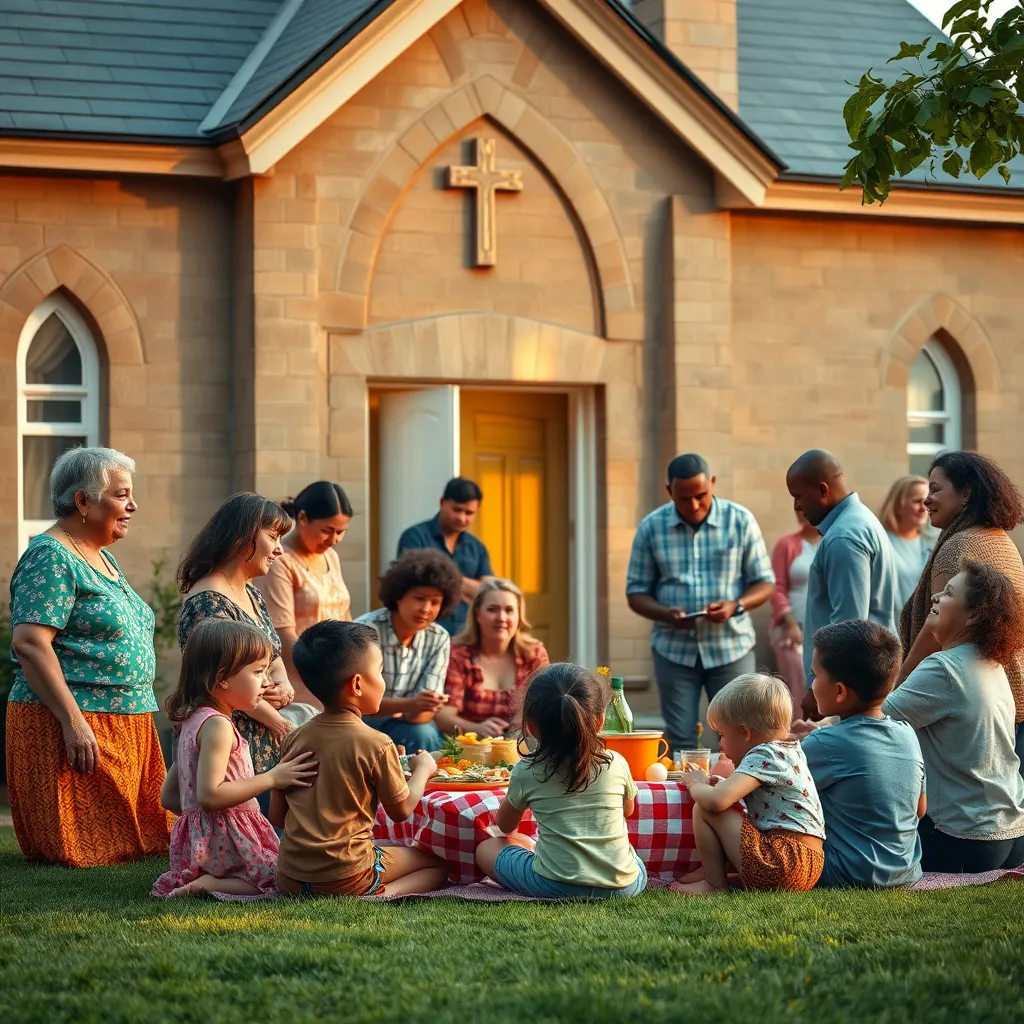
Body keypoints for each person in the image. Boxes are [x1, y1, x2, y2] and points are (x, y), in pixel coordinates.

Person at [7, 446, 171, 867]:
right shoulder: (50, 555)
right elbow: (30, 643)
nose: (133, 505)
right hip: (78, 720)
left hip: (127, 722)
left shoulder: (103, 557)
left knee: (148, 845)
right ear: (83, 501)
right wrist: (73, 722)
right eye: (121, 495)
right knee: (94, 852)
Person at [271, 620, 449, 898]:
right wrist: (423, 770)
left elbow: (278, 816)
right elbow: (401, 811)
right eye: (379, 672)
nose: (383, 681)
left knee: (388, 846)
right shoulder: (376, 743)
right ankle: (381, 896)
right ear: (356, 684)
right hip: (347, 876)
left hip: (290, 878)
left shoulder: (294, 738)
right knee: (437, 866)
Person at [153, 619, 317, 897]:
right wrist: (272, 778)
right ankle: (205, 885)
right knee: (278, 879)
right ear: (223, 677)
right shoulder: (218, 726)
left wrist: (200, 825)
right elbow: (210, 795)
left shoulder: (192, 721)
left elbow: (170, 797)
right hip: (227, 841)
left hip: (202, 844)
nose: (267, 682)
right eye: (258, 672)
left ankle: (205, 876)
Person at [626, 453, 775, 751]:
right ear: (669, 491)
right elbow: (636, 593)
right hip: (673, 650)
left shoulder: (740, 520)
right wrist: (666, 614)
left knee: (744, 731)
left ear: (713, 484)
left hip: (731, 647)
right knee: (681, 738)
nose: (694, 505)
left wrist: (737, 605)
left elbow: (764, 582)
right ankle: (691, 797)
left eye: (701, 495)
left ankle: (739, 795)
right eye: (684, 498)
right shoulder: (651, 528)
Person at [884, 562, 1024, 872]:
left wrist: (815, 729)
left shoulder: (944, 668)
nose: (935, 596)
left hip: (966, 839)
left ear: (973, 614)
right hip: (1013, 836)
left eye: (948, 593)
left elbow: (874, 721)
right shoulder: (993, 665)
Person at [177, 493, 317, 784]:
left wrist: (284, 685)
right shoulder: (206, 603)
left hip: (270, 744)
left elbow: (273, 653)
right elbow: (218, 684)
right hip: (233, 748)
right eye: (273, 537)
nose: (279, 550)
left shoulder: (251, 592)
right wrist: (281, 724)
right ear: (244, 537)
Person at [476, 664, 648, 900]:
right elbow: (628, 810)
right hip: (624, 887)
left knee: (486, 849)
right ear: (599, 722)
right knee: (630, 856)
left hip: (553, 885)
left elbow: (505, 826)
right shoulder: (616, 762)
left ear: (531, 727)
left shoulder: (526, 770)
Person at [898, 452, 1024, 764]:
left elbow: (937, 628)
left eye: (936, 490)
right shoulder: (1000, 539)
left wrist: (902, 681)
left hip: (970, 710)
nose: (927, 500)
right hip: (1005, 699)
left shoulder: (959, 547)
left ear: (966, 493)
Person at [670, 674, 825, 896]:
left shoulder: (763, 753)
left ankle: (713, 885)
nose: (721, 744)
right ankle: (711, 871)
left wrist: (695, 784)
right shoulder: (789, 750)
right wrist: (723, 783)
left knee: (704, 808)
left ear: (744, 732)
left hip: (781, 862)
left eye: (722, 735)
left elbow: (716, 801)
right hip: (810, 864)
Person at [800, 621, 925, 888]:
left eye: (815, 676)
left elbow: (777, 789)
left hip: (846, 874)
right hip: (906, 873)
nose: (812, 684)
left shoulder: (823, 743)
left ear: (840, 691)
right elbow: (920, 809)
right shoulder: (907, 733)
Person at [785, 450, 898, 719]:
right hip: (857, 683)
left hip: (850, 687)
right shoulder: (859, 520)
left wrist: (817, 687)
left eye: (798, 496)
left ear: (822, 489)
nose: (797, 507)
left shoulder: (844, 536)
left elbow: (848, 627)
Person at [257, 481, 353, 708]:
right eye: (326, 531)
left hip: (338, 676)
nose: (333, 540)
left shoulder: (331, 556)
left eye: (340, 532)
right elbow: (282, 632)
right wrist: (322, 672)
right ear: (302, 519)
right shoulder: (281, 561)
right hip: (303, 680)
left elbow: (344, 614)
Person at [355, 549, 463, 752]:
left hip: (408, 726)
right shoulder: (366, 630)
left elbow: (422, 715)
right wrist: (409, 704)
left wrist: (417, 707)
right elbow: (356, 701)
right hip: (360, 722)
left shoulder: (438, 637)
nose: (426, 608)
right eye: (419, 598)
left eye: (435, 602)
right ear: (398, 596)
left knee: (424, 733)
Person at [438, 578, 550, 739]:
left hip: (525, 746)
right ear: (477, 614)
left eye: (509, 610)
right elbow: (444, 716)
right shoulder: (458, 655)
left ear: (519, 616)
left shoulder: (534, 654)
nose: (502, 618)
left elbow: (547, 706)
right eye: (492, 609)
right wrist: (475, 728)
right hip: (472, 748)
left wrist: (523, 724)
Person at [396, 477, 493, 636]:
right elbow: (410, 586)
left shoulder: (477, 548)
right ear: (442, 502)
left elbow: (487, 593)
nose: (462, 518)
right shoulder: (415, 537)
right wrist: (467, 586)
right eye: (457, 510)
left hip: (466, 638)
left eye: (469, 513)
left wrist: (443, 580)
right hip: (423, 634)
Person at [769, 510, 821, 717]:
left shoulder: (834, 541)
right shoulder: (787, 544)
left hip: (824, 631)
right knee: (797, 688)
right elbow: (776, 587)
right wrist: (789, 622)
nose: (803, 511)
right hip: (792, 631)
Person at [880, 475, 933, 609]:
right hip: (889, 626)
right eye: (916, 501)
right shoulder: (881, 542)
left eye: (926, 501)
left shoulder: (933, 542)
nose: (923, 508)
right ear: (898, 505)